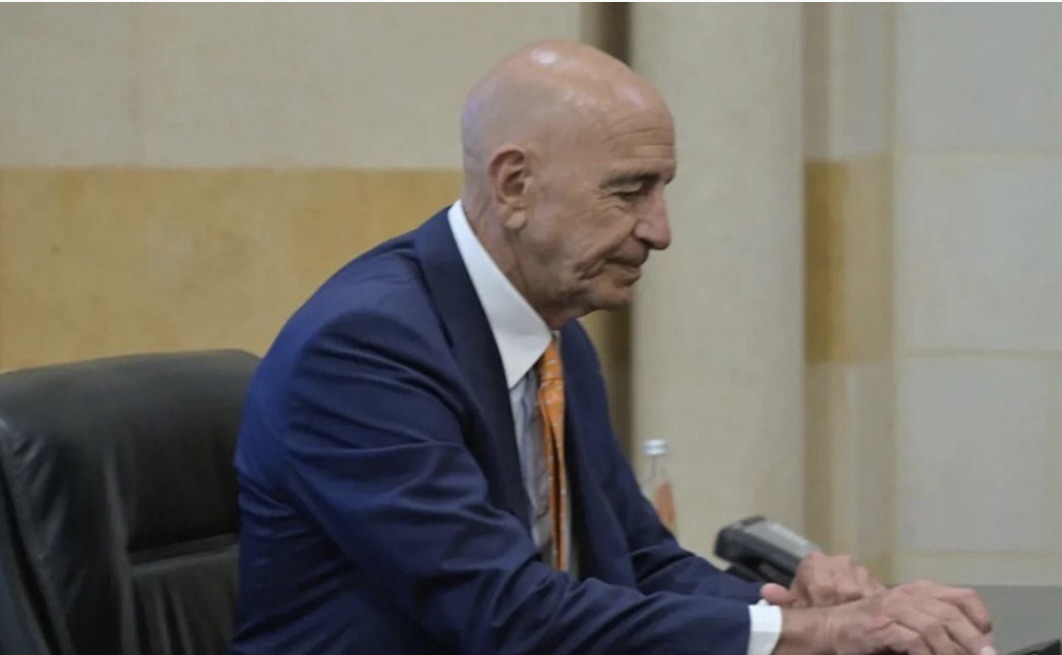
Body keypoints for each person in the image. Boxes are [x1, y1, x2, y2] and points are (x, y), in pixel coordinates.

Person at [231, 39, 994, 655]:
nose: (660, 230)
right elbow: (504, 611)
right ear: (515, 185)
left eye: (663, 190)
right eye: (630, 191)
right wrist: (815, 635)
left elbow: (640, 561)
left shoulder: (554, 331)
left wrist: (803, 614)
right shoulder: (366, 349)